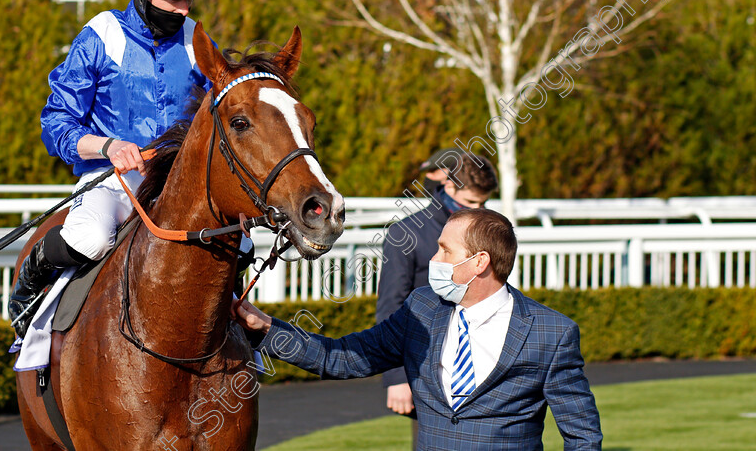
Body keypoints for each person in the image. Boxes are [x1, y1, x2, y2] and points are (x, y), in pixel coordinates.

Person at [234, 208, 603, 450]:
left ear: (480, 263)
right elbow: (344, 358)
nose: (433, 261)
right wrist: (267, 328)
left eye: (445, 251)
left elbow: (583, 437)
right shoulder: (422, 307)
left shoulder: (552, 333)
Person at [7, 0, 222, 338]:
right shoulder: (101, 34)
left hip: (175, 185)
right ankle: (36, 267)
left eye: (190, 0)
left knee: (238, 246)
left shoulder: (198, 40)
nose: (183, 10)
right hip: (111, 182)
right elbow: (56, 124)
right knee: (91, 238)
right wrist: (109, 146)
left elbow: (221, 113)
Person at [378, 152, 497, 436]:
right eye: (470, 202)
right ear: (448, 184)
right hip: (429, 368)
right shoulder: (405, 234)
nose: (478, 210)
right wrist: (396, 377)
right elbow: (390, 308)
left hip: (487, 365)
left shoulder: (492, 228)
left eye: (484, 203)